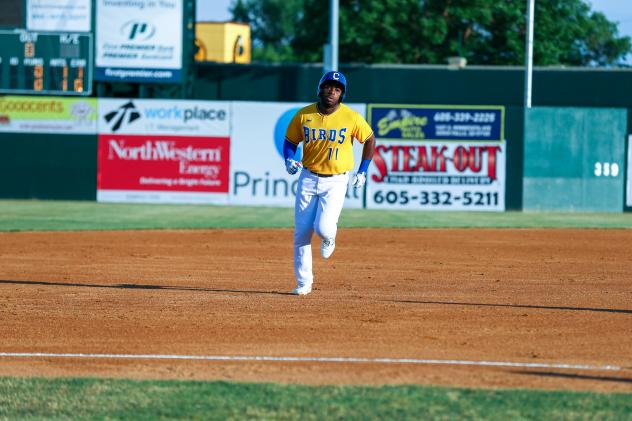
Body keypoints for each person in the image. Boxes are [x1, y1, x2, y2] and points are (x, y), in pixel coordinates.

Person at [283, 70, 376, 295]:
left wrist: (363, 171)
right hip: (308, 177)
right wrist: (289, 159)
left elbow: (370, 139)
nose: (331, 92)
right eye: (328, 87)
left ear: (342, 94)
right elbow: (290, 141)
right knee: (302, 233)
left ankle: (330, 237)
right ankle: (304, 283)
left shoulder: (351, 117)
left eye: (337, 89)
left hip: (336, 180)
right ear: (320, 89)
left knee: (323, 227)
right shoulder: (304, 115)